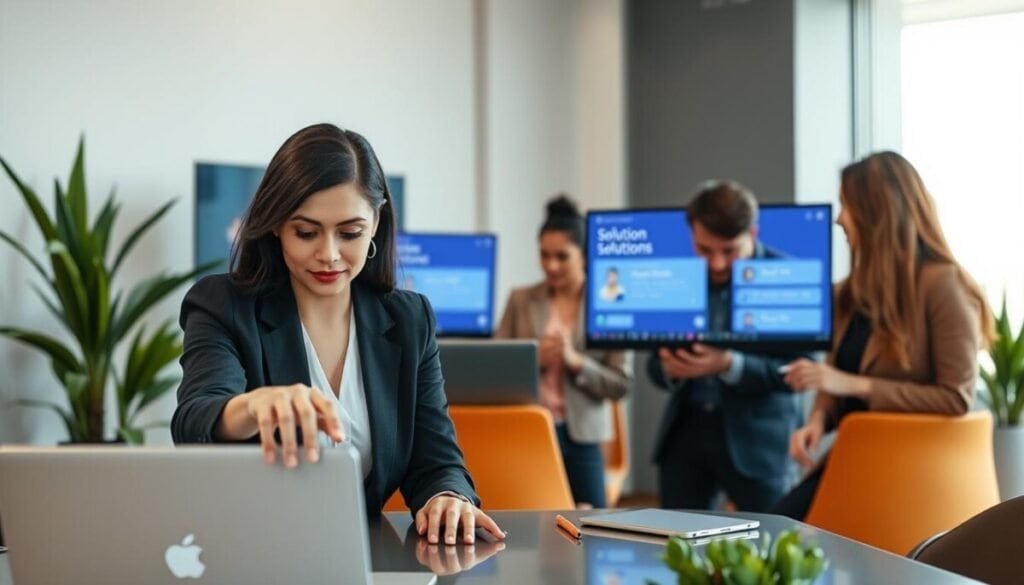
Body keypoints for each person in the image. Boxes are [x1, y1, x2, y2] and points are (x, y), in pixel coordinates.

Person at [171, 123, 504, 546]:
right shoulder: (222, 304)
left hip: (356, 556)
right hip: (245, 552)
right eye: (306, 232)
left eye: (349, 233)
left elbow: (436, 461)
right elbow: (193, 420)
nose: (328, 254)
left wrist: (447, 496)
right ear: (275, 226)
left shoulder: (409, 320)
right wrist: (253, 407)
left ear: (375, 224)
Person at [772, 151, 995, 519]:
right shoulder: (848, 296)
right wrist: (818, 420)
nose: (840, 219)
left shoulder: (943, 285)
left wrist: (856, 385)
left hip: (913, 477)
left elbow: (955, 397)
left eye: (848, 206)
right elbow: (833, 383)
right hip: (854, 465)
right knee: (772, 538)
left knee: (779, 539)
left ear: (879, 213)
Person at [647, 180, 803, 512]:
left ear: (754, 234)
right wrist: (667, 368)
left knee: (766, 554)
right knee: (675, 551)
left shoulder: (787, 276)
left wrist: (728, 364)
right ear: (691, 235)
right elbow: (652, 364)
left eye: (729, 251)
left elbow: (800, 370)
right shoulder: (675, 279)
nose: (717, 263)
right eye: (704, 250)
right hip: (684, 438)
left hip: (759, 445)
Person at [495, 195, 633, 508]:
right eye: (544, 255)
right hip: (529, 431)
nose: (550, 265)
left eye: (561, 256)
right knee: (530, 524)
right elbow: (493, 371)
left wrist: (577, 363)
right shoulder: (520, 300)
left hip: (583, 435)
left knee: (591, 526)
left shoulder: (609, 305)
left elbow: (621, 385)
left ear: (584, 256)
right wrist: (534, 361)